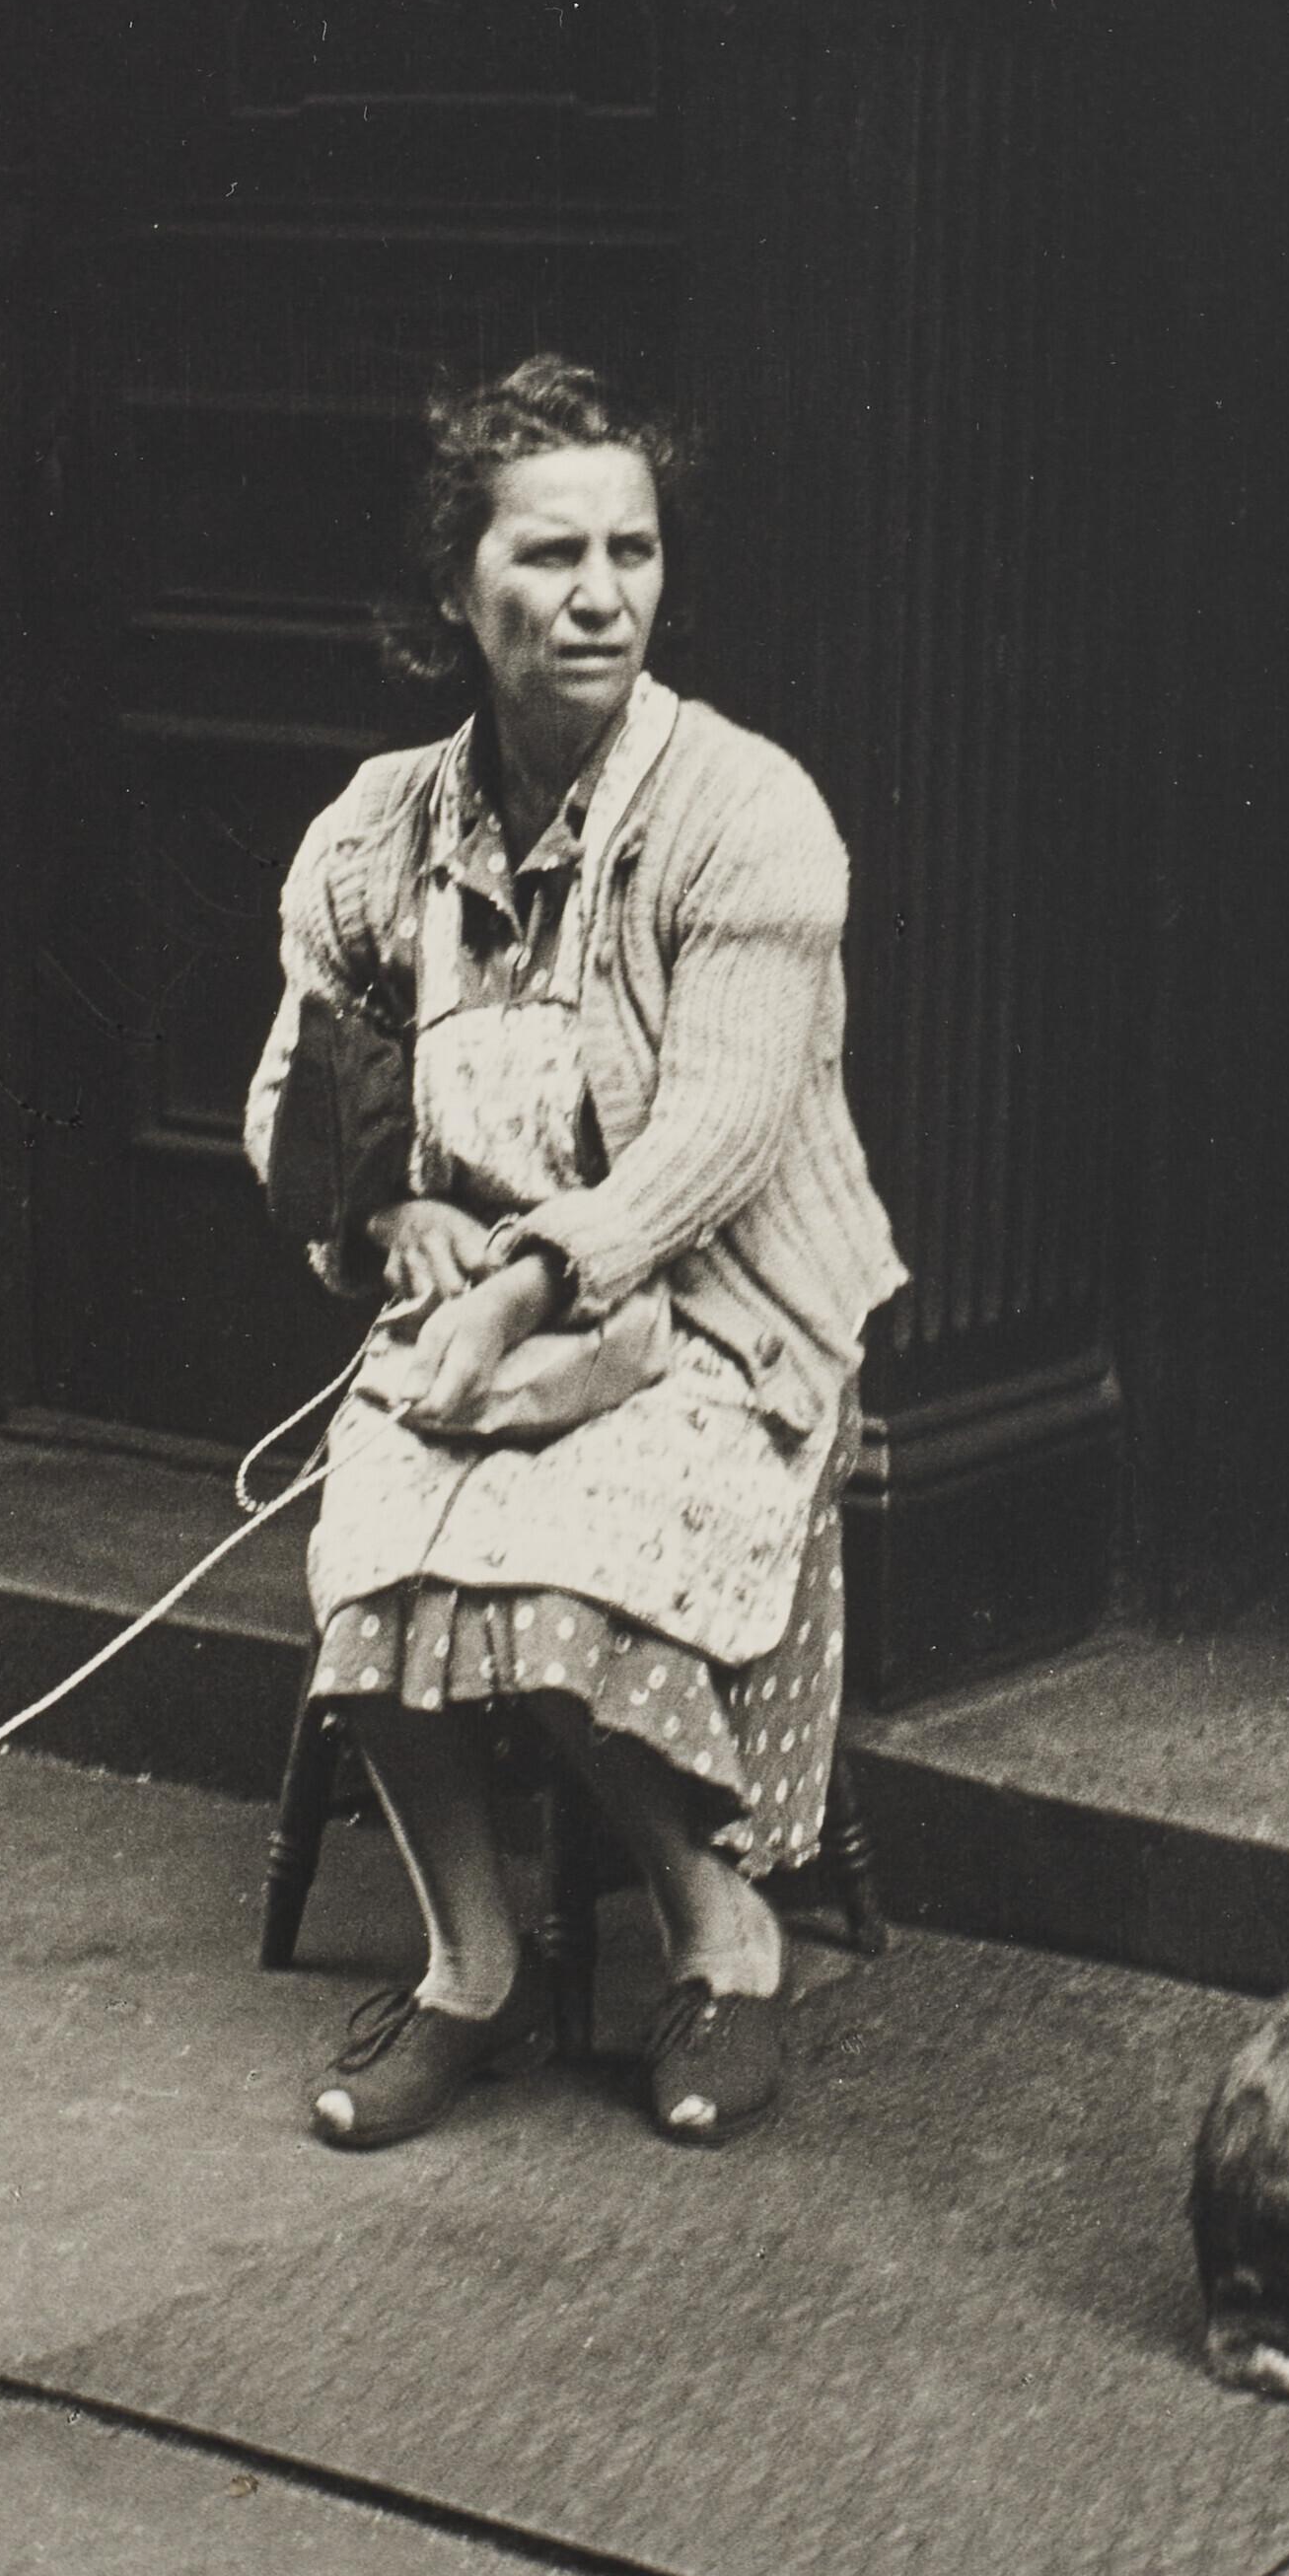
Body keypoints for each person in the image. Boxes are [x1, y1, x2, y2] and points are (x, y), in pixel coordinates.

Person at [244, 354, 905, 2151]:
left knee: (547, 1569)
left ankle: (723, 1935)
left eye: (634, 547)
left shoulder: (744, 815)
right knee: (380, 1546)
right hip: (486, 1325)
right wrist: (397, 1215)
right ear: (458, 588)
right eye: (548, 555)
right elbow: (295, 1097)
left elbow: (719, 1138)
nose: (600, 592)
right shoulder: (383, 831)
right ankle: (477, 1968)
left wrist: (538, 1271)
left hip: (721, 1321)